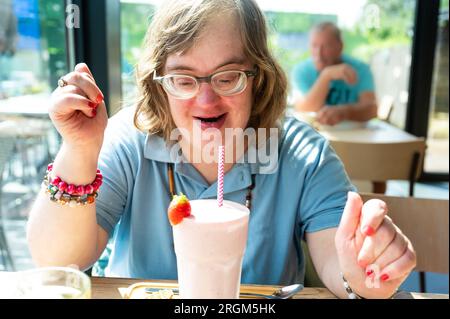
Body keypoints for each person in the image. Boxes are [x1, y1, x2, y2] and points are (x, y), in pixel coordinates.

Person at [27, 0, 415, 299]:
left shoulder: (303, 153)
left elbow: (340, 261)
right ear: (160, 83)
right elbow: (58, 261)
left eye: (228, 76)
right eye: (183, 79)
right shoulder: (130, 140)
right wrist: (79, 149)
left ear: (259, 78)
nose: (206, 99)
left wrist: (363, 272)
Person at [292, 22, 378, 126]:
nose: (319, 54)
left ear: (340, 46)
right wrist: (326, 75)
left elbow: (372, 109)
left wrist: (345, 112)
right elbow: (303, 108)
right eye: (314, 45)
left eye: (326, 46)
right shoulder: (301, 70)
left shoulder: (361, 69)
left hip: (353, 136)